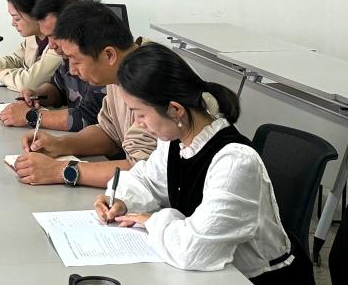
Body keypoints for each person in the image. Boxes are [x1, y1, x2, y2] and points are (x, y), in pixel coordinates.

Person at [93, 44, 313, 283]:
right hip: (213, 274)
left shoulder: (235, 162)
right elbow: (146, 179)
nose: (138, 123)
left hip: (256, 279)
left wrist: (153, 221)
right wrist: (122, 200)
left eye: (141, 114)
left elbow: (195, 250)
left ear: (175, 109)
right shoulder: (176, 140)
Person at [11, 0, 156, 187]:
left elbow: (145, 173)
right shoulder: (119, 74)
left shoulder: (150, 81)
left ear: (109, 55)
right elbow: (109, 133)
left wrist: (60, 170)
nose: (72, 70)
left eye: (76, 60)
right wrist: (60, 145)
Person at [0, 0, 105, 132]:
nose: (51, 45)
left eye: (55, 36)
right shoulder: (67, 55)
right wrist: (37, 95)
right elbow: (58, 87)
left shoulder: (100, 60)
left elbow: (88, 118)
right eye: (47, 37)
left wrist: (31, 116)